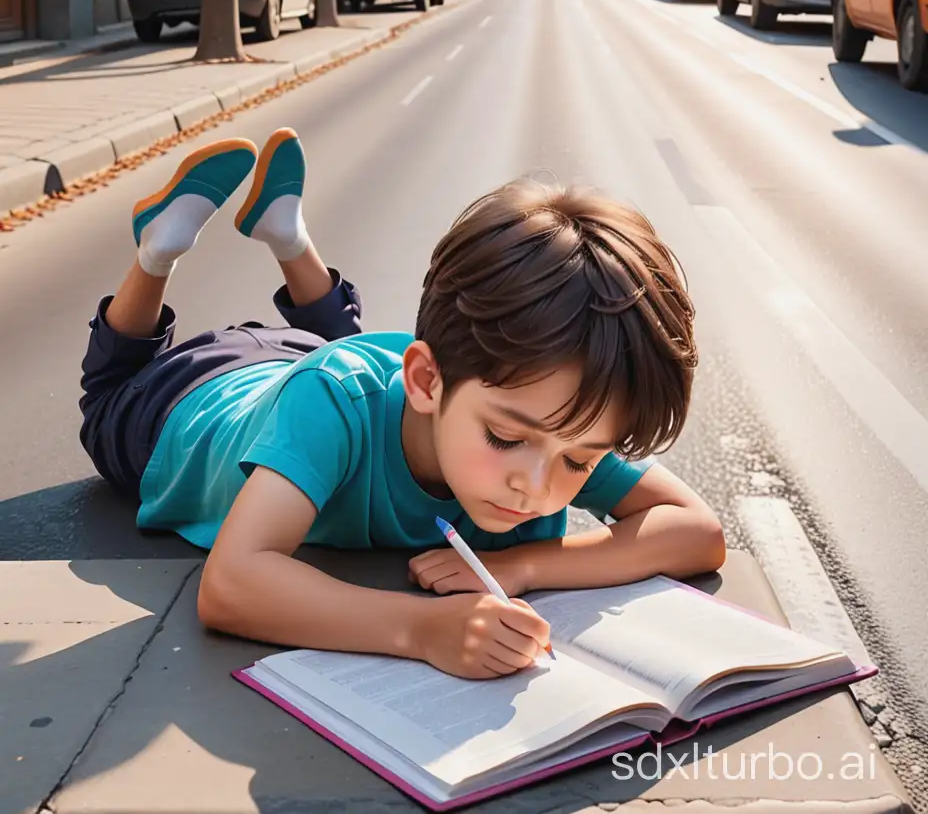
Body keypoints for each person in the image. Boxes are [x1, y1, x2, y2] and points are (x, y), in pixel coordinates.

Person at [79, 128, 725, 680]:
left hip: (313, 363)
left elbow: (697, 532)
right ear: (425, 380)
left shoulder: (554, 421)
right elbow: (233, 584)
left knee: (357, 374)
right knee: (109, 399)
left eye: (580, 465)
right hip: (190, 397)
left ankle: (287, 233)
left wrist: (521, 564)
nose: (535, 488)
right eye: (504, 439)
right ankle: (158, 248)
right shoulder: (340, 401)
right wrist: (422, 630)